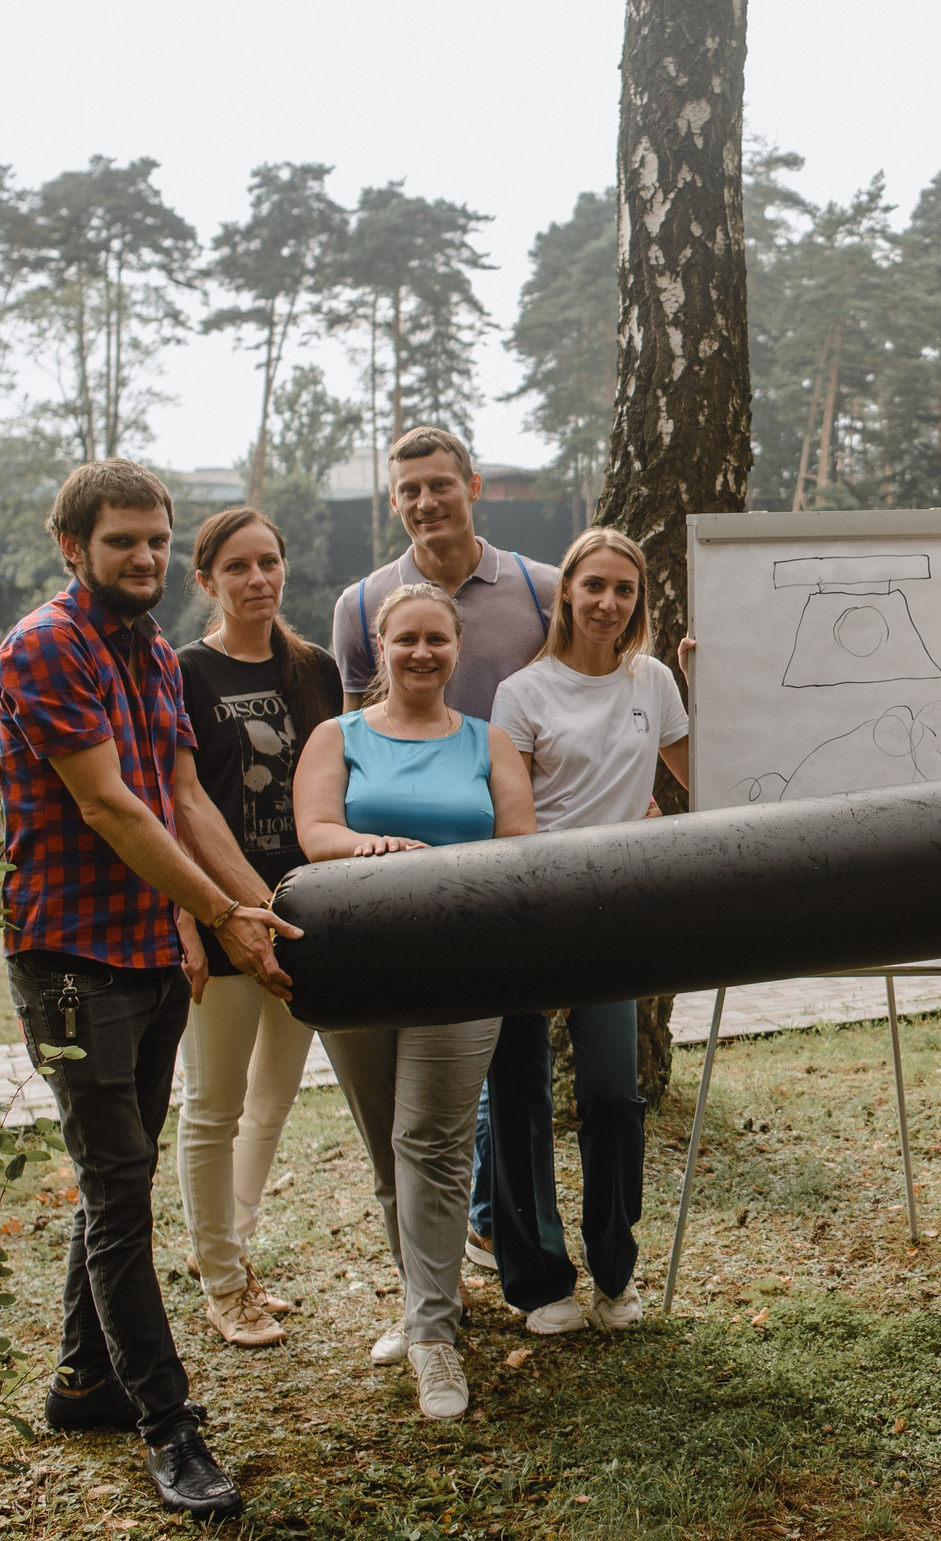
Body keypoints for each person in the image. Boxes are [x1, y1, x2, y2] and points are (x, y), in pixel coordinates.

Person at [0, 460, 299, 1519]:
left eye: (158, 538)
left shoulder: (154, 653)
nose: (147, 556)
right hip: (70, 964)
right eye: (124, 539)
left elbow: (181, 793)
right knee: (120, 1192)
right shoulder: (47, 644)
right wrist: (218, 913)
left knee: (114, 1177)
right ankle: (170, 1427)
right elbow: (115, 809)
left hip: (151, 959)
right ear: (74, 546)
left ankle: (84, 1381)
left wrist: (257, 908)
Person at [295, 582, 538, 1421]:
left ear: (456, 647)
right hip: (353, 964)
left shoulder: (488, 742)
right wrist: (379, 850)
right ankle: (424, 1299)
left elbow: (519, 847)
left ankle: (435, 1338)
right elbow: (316, 832)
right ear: (382, 649)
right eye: (407, 640)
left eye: (438, 639)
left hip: (463, 965)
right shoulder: (339, 735)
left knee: (428, 1142)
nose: (423, 653)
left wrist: (439, 876)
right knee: (386, 1151)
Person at [328, 426, 564, 1284]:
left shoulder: (540, 590)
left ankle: (516, 1246)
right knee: (414, 1099)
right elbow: (354, 736)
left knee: (517, 1076)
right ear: (394, 502)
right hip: (395, 887)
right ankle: (444, 1257)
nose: (426, 502)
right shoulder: (362, 605)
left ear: (473, 485)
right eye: (409, 490)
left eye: (440, 484)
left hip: (509, 856)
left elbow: (584, 693)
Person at [486, 527, 691, 1335]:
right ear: (566, 590)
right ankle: (540, 1280)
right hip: (533, 906)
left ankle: (615, 1271)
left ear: (640, 601)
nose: (610, 602)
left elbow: (709, 773)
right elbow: (515, 814)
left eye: (626, 590)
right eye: (595, 585)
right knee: (520, 1093)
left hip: (617, 912)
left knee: (613, 1093)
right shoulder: (523, 692)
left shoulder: (656, 681)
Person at [174, 507, 344, 1350]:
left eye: (269, 562)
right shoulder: (183, 673)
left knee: (271, 1102)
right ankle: (222, 1280)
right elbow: (173, 801)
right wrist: (186, 912)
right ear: (205, 580)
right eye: (236, 567)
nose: (257, 579)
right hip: (219, 915)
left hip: (306, 912)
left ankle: (236, 1258)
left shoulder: (315, 669)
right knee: (213, 1105)